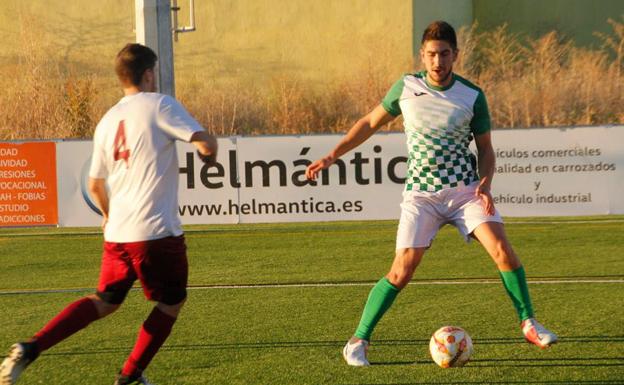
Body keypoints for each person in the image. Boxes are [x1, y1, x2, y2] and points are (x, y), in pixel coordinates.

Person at [306, 20, 557, 367]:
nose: (437, 61)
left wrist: (486, 181)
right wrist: (333, 154)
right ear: (422, 56)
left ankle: (528, 322)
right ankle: (358, 341)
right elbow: (369, 122)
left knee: (501, 248)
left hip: (465, 191)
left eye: (444, 54)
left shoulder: (472, 95)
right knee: (401, 270)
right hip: (421, 194)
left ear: (455, 55)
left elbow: (486, 149)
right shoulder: (406, 87)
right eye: (431, 55)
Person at [0, 43, 217, 385]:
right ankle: (129, 375)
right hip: (156, 232)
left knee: (104, 301)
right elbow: (204, 143)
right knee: (171, 302)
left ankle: (29, 348)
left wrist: (107, 214)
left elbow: (95, 184)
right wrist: (209, 152)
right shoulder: (159, 104)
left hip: (118, 234)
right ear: (148, 75)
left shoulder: (107, 119)